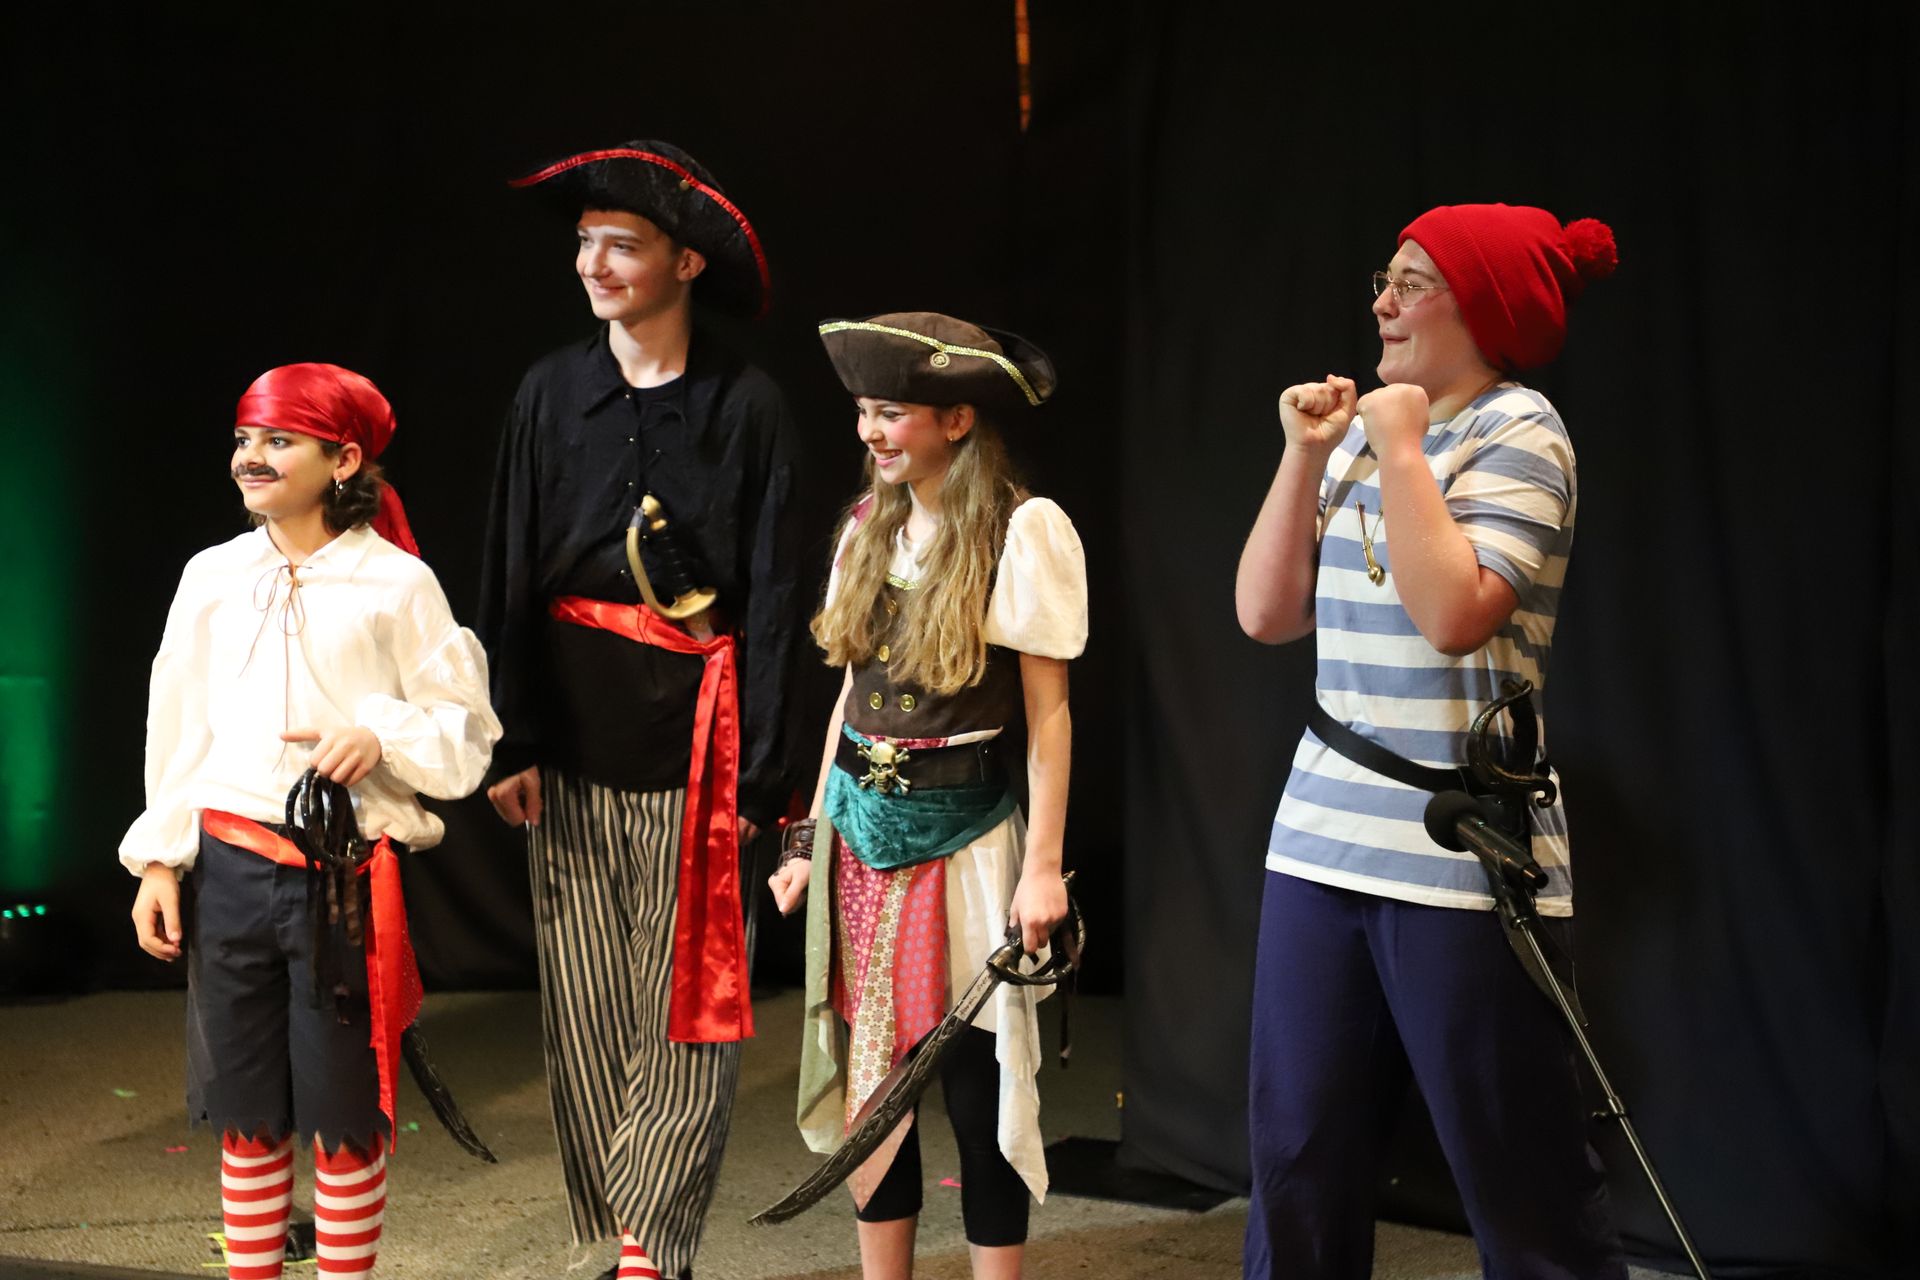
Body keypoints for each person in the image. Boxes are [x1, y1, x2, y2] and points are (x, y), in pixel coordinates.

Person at [1233, 204, 1623, 1278]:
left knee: (1521, 1173)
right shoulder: (1356, 433)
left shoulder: (1522, 431)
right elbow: (1266, 614)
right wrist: (1306, 454)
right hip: (1319, 840)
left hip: (1465, 859)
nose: (1383, 303)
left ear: (1483, 304)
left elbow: (1457, 613)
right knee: (1298, 1155)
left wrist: (1400, 443)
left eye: (1413, 283)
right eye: (1384, 278)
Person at [477, 140, 802, 1280]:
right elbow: (509, 562)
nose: (595, 264)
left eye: (621, 244)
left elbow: (771, 588)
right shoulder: (549, 392)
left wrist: (764, 769)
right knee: (583, 1002)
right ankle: (612, 1226)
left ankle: (647, 1248)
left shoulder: (745, 404)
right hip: (567, 731)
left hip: (696, 738)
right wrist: (505, 732)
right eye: (584, 245)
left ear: (686, 262)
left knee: (681, 1004)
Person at [122, 363, 501, 1280]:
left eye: (278, 441)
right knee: (247, 1115)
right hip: (232, 871)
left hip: (338, 881)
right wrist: (161, 862)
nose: (251, 457)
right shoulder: (213, 576)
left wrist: (377, 731)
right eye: (246, 439)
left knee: (342, 1120)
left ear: (344, 459)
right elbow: (181, 726)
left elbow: (464, 735)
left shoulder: (395, 584)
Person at [769, 312, 1085, 1280]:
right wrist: (806, 835)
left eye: (891, 413)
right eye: (864, 412)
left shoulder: (1020, 532)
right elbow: (849, 699)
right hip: (861, 844)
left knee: (977, 1086)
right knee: (876, 1089)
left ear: (955, 418)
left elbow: (1050, 715)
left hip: (968, 848)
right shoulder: (871, 530)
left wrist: (1041, 869)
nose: (871, 432)